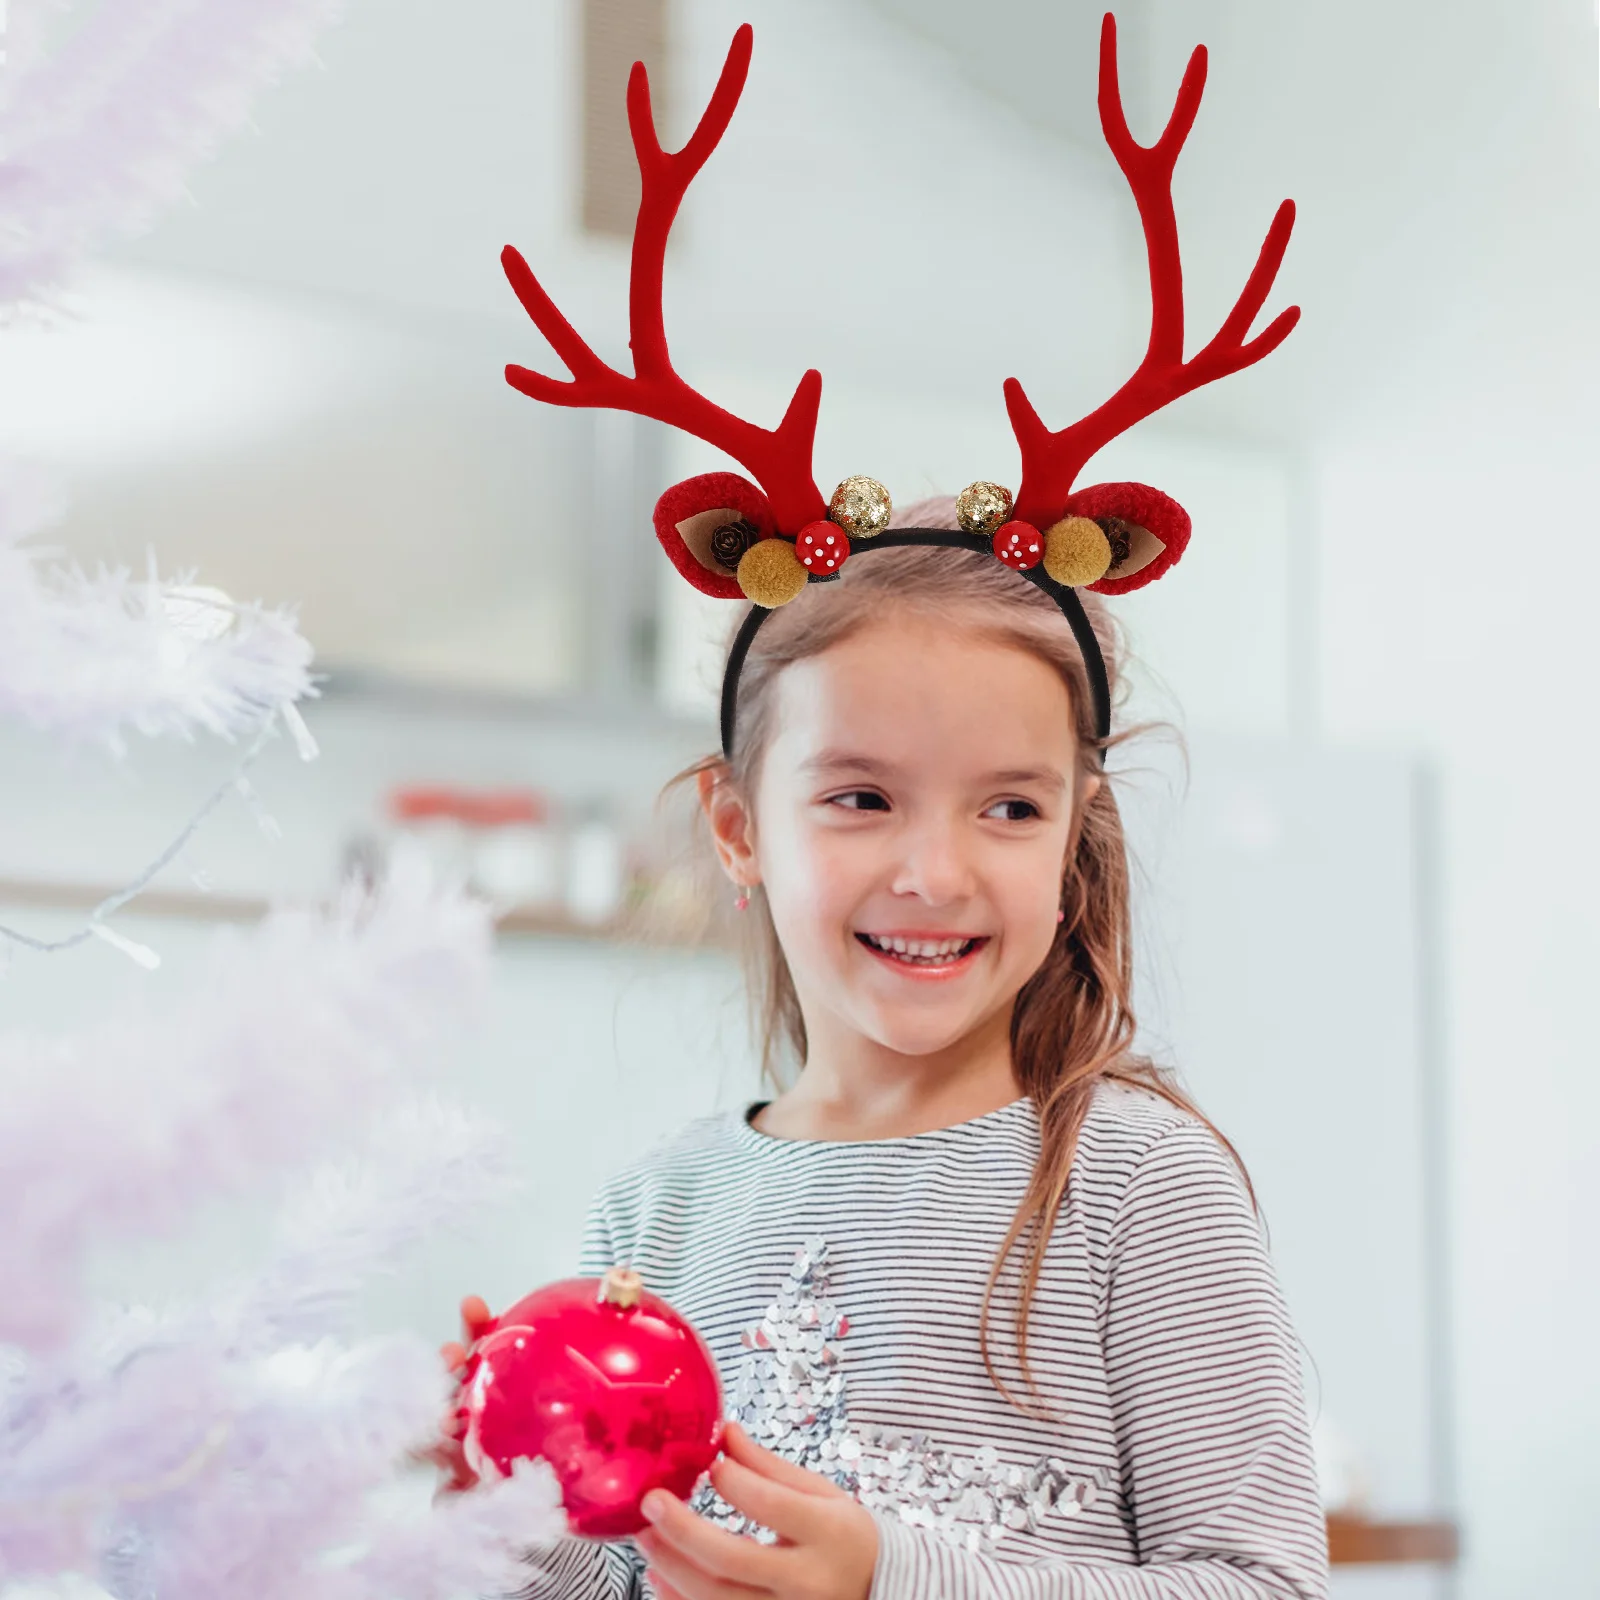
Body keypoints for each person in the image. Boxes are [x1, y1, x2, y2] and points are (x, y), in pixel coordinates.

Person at [445, 12, 1330, 1598]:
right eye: (859, 796)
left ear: (1076, 841)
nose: (934, 868)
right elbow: (641, 1570)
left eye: (1008, 808)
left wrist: (891, 1581)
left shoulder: (1135, 1189)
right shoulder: (664, 1204)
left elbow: (1262, 1584)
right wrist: (500, 1500)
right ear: (736, 828)